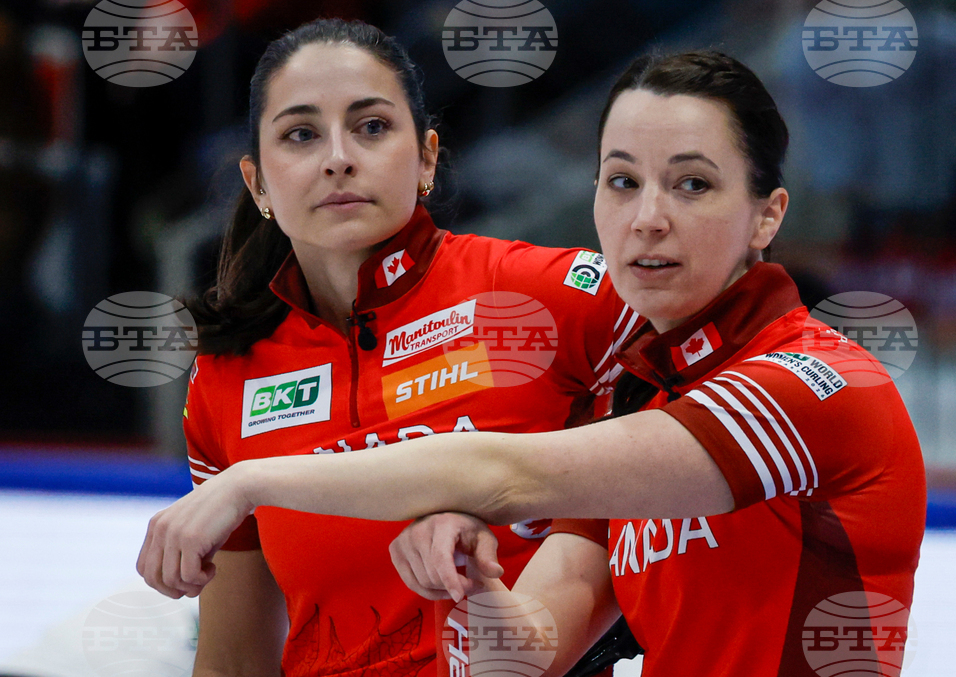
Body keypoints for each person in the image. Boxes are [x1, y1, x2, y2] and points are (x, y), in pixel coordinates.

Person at [139, 50, 926, 675]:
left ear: (767, 214)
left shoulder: (810, 383)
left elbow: (511, 473)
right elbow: (519, 656)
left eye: (693, 184)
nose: (648, 219)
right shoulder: (644, 406)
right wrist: (478, 583)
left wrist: (254, 478)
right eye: (622, 182)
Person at [165, 18, 639, 677]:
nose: (338, 156)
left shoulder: (551, 293)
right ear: (258, 186)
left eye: (372, 127)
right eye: (301, 134)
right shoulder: (226, 376)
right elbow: (232, 662)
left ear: (427, 158)